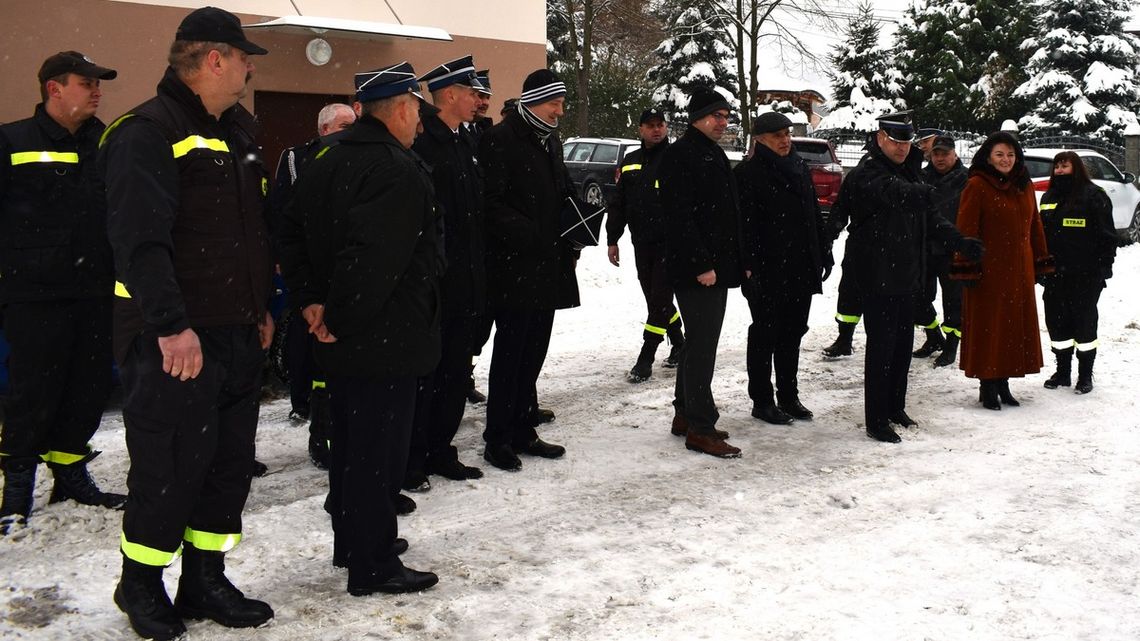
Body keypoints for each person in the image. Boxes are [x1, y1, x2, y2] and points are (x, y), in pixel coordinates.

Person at [99, 8, 275, 638]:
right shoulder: (146, 132)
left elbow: (250, 232)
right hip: (174, 339)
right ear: (213, 59)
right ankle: (141, 584)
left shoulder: (239, 129)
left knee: (227, 465)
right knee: (170, 465)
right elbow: (140, 242)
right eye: (244, 56)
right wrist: (173, 326)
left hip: (234, 331)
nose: (252, 67)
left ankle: (205, 579)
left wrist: (260, 309)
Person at [278, 61, 442, 596]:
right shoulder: (395, 167)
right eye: (417, 107)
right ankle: (372, 564)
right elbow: (372, 260)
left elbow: (292, 234)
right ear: (398, 108)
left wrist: (311, 306)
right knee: (378, 452)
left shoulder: (326, 157)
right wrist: (336, 319)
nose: (420, 117)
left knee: (350, 446)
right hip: (381, 335)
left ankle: (353, 540)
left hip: (344, 334)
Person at [0, 51, 124, 535]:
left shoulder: (107, 142)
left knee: (88, 388)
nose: (97, 91)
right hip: (35, 296)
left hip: (95, 292)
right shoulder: (13, 140)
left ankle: (70, 474)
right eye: (87, 82)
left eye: (99, 83)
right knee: (32, 391)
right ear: (54, 87)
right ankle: (16, 489)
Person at [837, 111, 982, 443]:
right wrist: (937, 191)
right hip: (877, 278)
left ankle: (895, 407)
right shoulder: (868, 173)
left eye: (906, 142)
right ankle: (876, 419)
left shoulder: (911, 173)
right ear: (880, 139)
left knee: (902, 347)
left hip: (908, 276)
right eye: (895, 141)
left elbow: (930, 218)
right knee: (881, 349)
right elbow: (898, 194)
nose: (902, 148)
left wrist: (958, 241)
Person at [477, 69, 576, 472]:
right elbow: (491, 204)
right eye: (555, 103)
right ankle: (497, 438)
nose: (560, 111)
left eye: (562, 104)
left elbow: (563, 190)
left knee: (534, 351)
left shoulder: (548, 140)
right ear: (535, 100)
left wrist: (577, 227)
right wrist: (533, 234)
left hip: (547, 265)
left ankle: (523, 429)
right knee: (510, 355)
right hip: (515, 267)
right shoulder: (499, 140)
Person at [405, 55, 487, 486]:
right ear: (450, 95)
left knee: (456, 374)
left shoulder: (463, 143)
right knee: (429, 378)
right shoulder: (425, 146)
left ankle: (441, 449)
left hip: (467, 281)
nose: (478, 100)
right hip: (439, 285)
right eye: (471, 93)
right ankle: (413, 458)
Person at [658, 87, 745, 458]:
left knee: (696, 343)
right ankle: (700, 427)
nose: (722, 122)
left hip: (715, 266)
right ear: (696, 117)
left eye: (726, 116)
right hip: (697, 270)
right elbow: (679, 218)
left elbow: (723, 214)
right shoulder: (680, 155)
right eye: (715, 116)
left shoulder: (713, 153)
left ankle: (684, 414)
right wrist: (702, 265)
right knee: (702, 346)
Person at [271, 102, 357, 471]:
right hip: (310, 271)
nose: (349, 130)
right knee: (309, 345)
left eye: (353, 124)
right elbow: (283, 211)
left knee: (338, 355)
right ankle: (308, 412)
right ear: (324, 129)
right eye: (342, 124)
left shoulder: (359, 157)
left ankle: (335, 427)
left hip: (345, 271)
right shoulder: (297, 159)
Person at [735, 111, 832, 425]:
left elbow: (812, 213)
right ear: (760, 139)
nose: (785, 140)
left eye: (787, 134)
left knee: (793, 334)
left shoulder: (798, 166)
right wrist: (748, 269)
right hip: (767, 269)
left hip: (800, 268)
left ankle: (788, 396)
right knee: (765, 334)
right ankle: (761, 400)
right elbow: (741, 228)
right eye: (778, 136)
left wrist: (824, 251)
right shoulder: (748, 174)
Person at [951, 131, 1052, 410]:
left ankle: (1004, 382)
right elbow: (966, 229)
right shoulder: (977, 185)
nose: (1006, 160)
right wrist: (966, 266)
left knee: (1012, 328)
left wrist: (1041, 260)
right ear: (988, 157)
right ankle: (988, 384)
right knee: (990, 328)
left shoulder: (1024, 185)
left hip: (1020, 272)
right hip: (989, 272)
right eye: (999, 154)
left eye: (1010, 154)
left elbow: (1035, 227)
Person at [606, 107, 685, 383]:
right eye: (650, 125)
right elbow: (618, 204)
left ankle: (646, 357)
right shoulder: (629, 161)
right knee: (655, 298)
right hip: (642, 242)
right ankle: (679, 342)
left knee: (660, 297)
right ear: (640, 129)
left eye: (660, 124)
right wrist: (612, 239)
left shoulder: (677, 159)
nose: (656, 129)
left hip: (671, 243)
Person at [1037, 151, 1114, 394]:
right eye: (1057, 166)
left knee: (1084, 326)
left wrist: (1104, 267)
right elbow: (1040, 236)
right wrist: (1040, 268)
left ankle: (1085, 376)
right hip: (1054, 275)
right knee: (1057, 325)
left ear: (1076, 167)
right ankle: (1062, 372)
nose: (1059, 170)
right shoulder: (1048, 197)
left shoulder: (1094, 196)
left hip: (1085, 275)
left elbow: (1107, 237)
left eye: (1064, 165)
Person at [913, 134, 968, 367]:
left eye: (945, 153)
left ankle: (952, 345)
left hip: (954, 251)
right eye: (936, 153)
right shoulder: (922, 177)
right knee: (919, 296)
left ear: (955, 154)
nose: (940, 158)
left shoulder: (967, 179)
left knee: (955, 302)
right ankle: (933, 336)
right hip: (925, 249)